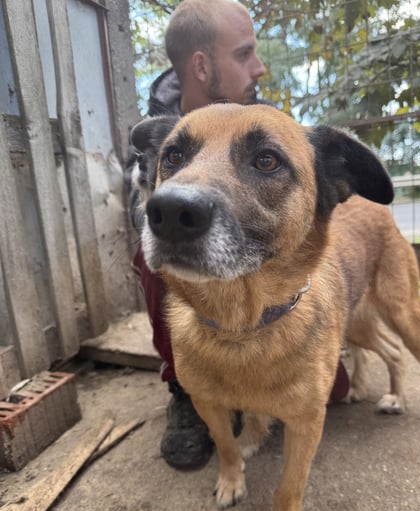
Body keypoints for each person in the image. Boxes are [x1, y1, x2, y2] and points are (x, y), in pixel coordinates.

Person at [129, 0, 349, 470]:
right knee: (144, 258)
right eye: (245, 53)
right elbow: (146, 207)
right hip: (198, 309)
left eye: (264, 160)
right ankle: (182, 384)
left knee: (335, 391)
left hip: (280, 295)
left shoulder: (273, 124)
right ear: (202, 66)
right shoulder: (159, 130)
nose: (260, 66)